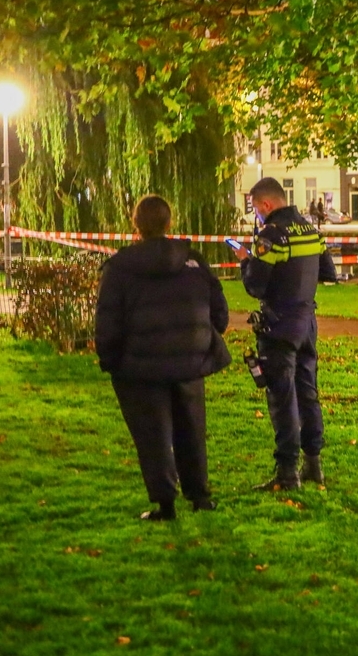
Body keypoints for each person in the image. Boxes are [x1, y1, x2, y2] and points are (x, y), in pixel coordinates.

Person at [95, 195, 231, 521]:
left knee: (152, 436)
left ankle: (164, 503)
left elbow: (108, 320)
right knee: (192, 429)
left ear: (136, 225)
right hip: (190, 361)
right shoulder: (194, 261)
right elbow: (220, 314)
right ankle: (200, 496)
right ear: (170, 223)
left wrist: (111, 359)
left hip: (140, 366)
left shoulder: (120, 268)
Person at [231, 177, 337, 490]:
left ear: (266, 204)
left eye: (255, 209)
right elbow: (328, 273)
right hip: (307, 323)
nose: (256, 216)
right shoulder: (310, 230)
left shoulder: (271, 236)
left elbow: (255, 286)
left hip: (278, 326)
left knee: (282, 397)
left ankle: (287, 473)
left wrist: (246, 261)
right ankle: (313, 464)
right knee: (307, 391)